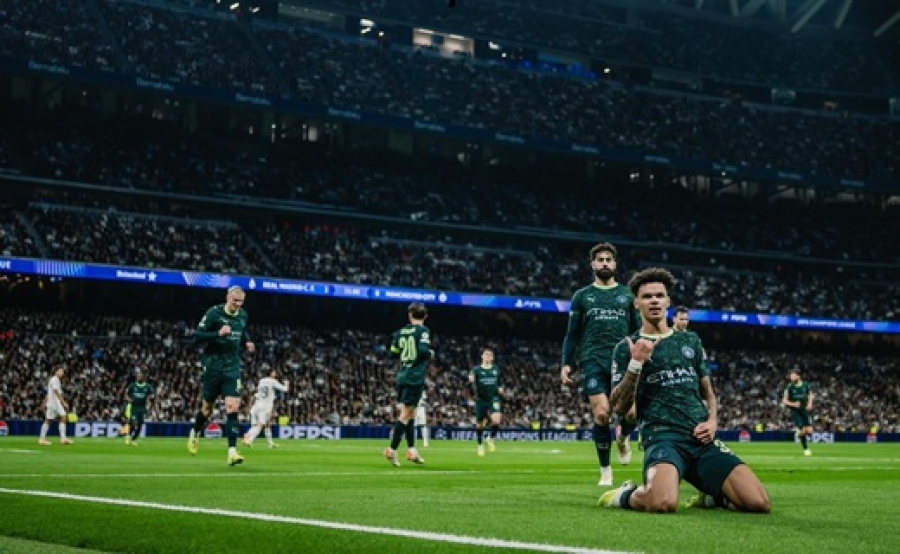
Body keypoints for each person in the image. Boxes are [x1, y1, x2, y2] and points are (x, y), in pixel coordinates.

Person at [599, 267, 771, 513]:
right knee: (662, 503)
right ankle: (622, 495)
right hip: (663, 437)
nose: (654, 300)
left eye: (659, 295)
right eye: (647, 296)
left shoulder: (690, 341)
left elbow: (708, 393)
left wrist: (712, 421)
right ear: (636, 303)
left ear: (668, 301)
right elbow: (618, 407)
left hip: (701, 438)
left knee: (758, 503)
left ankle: (711, 497)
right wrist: (635, 364)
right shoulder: (626, 348)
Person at [560, 243, 641, 486]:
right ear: (593, 264)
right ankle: (606, 470)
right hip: (593, 360)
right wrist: (566, 363)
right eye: (600, 259)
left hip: (623, 362)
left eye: (608, 259)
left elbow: (638, 331)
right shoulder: (582, 296)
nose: (604, 263)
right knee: (602, 414)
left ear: (615, 264)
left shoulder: (628, 295)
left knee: (631, 413)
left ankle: (623, 436)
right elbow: (572, 334)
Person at [187, 286, 256, 466]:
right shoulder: (214, 313)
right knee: (207, 410)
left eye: (241, 302)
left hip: (232, 367)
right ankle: (195, 432)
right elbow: (197, 336)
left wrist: (247, 341)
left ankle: (232, 452)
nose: (238, 304)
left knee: (233, 407)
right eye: (235, 301)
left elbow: (242, 330)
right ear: (227, 297)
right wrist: (217, 333)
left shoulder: (243, 315)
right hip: (213, 366)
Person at [384, 302, 433, 467]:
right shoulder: (423, 331)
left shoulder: (400, 332)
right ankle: (391, 449)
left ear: (410, 315)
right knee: (405, 415)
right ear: (425, 316)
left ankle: (412, 450)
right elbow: (424, 351)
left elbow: (393, 353)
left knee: (412, 414)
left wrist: (406, 357)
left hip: (403, 375)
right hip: (415, 377)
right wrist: (429, 354)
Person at [243, 369, 289, 449]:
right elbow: (285, 389)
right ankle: (248, 438)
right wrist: (287, 383)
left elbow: (258, 393)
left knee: (267, 424)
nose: (275, 374)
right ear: (271, 373)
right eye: (274, 372)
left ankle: (270, 443)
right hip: (265, 407)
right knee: (260, 425)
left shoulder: (261, 381)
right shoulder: (273, 381)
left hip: (257, 404)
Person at [470, 348, 503, 457]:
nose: (488, 356)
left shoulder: (496, 369)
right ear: (482, 356)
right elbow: (471, 378)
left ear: (492, 358)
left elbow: (499, 382)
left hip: (493, 398)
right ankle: (480, 444)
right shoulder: (476, 370)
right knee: (479, 424)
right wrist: (471, 379)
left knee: (497, 420)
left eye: (490, 355)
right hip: (481, 399)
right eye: (486, 354)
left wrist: (500, 388)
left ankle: (490, 438)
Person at [38, 365, 73, 446]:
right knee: (52, 419)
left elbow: (49, 393)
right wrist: (63, 402)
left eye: (62, 372)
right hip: (53, 403)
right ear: (56, 371)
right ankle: (42, 439)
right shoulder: (54, 379)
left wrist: (44, 403)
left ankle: (63, 439)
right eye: (60, 371)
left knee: (59, 418)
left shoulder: (56, 380)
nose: (62, 373)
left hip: (55, 402)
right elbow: (56, 391)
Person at [782, 368, 814, 456]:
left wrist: (810, 404)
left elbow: (811, 395)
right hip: (795, 412)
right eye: (791, 376)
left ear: (798, 376)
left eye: (793, 376)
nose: (791, 377)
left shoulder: (806, 385)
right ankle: (806, 449)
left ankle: (799, 434)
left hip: (805, 411)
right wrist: (793, 404)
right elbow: (784, 400)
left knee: (810, 431)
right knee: (803, 430)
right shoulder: (789, 387)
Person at [124, 370, 155, 446]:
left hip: (142, 408)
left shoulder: (147, 387)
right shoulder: (132, 385)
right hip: (134, 407)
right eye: (138, 376)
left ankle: (133, 439)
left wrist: (150, 404)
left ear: (143, 377)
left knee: (140, 426)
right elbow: (126, 394)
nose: (139, 377)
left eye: (140, 376)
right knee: (134, 423)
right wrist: (128, 399)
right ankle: (128, 435)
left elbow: (152, 396)